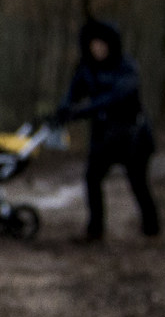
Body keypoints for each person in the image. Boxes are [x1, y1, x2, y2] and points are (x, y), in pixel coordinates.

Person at [54, 17, 159, 241]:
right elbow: (74, 93)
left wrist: (82, 111)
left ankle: (151, 228)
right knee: (92, 178)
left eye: (102, 45)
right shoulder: (86, 69)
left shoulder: (126, 67)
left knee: (138, 182)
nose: (98, 49)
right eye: (94, 45)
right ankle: (95, 229)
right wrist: (65, 109)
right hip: (104, 135)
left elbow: (116, 97)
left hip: (132, 135)